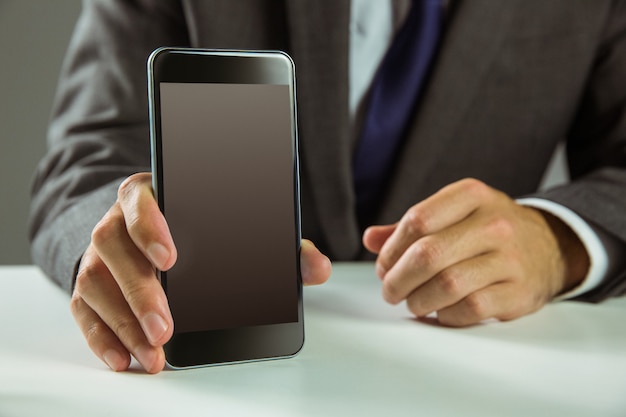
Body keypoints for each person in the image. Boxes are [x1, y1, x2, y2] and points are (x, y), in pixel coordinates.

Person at [29, 0, 626, 374]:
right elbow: (85, 160)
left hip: (478, 370)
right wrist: (112, 242)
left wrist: (558, 243)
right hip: (226, 374)